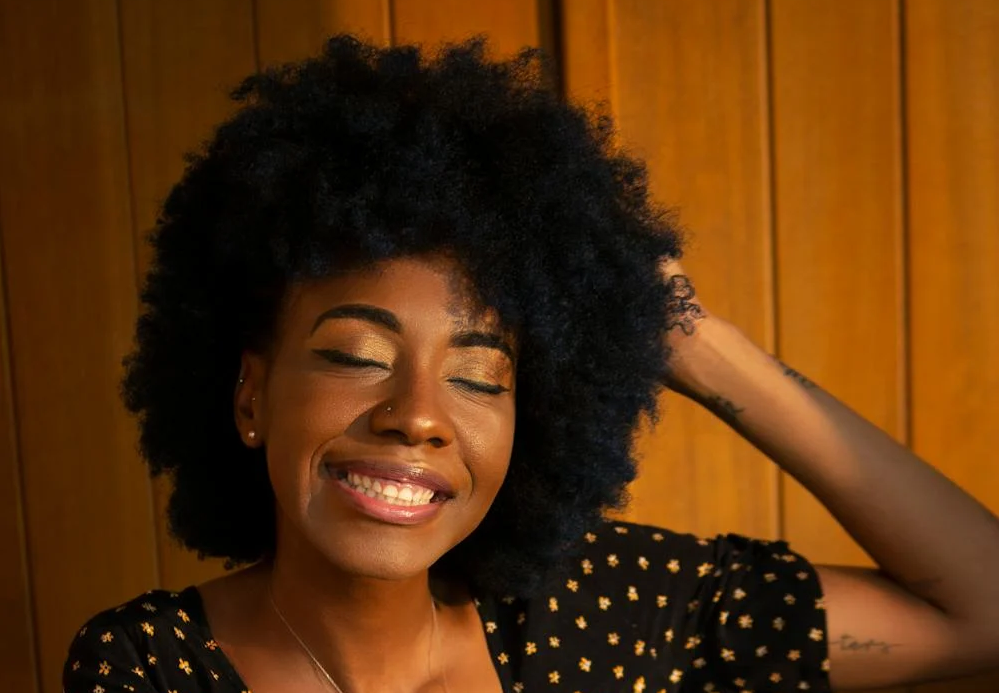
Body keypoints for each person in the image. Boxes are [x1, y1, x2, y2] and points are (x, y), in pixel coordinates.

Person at [63, 35, 999, 693]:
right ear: (249, 395)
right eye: (355, 354)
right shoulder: (148, 665)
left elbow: (983, 610)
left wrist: (682, 333)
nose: (418, 413)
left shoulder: (601, 613)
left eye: (479, 376)